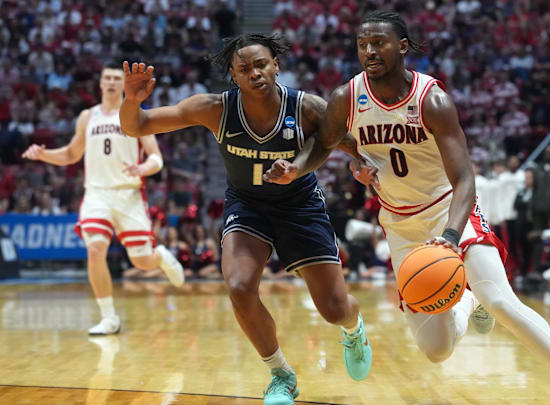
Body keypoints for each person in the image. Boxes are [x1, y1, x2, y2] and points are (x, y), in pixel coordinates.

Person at [264, 11, 550, 404]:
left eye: (379, 43)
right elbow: (324, 144)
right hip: (400, 223)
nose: (370, 51)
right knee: (436, 349)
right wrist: (295, 168)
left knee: (502, 300)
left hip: (450, 210)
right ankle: (467, 298)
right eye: (363, 45)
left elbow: (465, 179)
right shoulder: (348, 97)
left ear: (403, 47)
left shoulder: (433, 100)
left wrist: (449, 237)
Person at [118, 34, 371, 405]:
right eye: (244, 69)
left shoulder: (307, 107)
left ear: (276, 65)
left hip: (299, 205)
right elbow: (136, 126)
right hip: (247, 204)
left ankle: (354, 328)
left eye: (261, 65)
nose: (254, 73)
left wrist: (362, 165)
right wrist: (131, 100)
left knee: (334, 310)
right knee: (238, 286)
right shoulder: (215, 109)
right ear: (233, 76)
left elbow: (351, 144)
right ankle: (281, 375)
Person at [21, 62, 185, 335]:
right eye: (106, 78)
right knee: (95, 249)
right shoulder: (88, 116)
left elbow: (156, 157)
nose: (110, 82)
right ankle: (109, 317)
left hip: (129, 194)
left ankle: (160, 256)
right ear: (100, 83)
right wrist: (44, 154)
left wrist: (143, 168)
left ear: (123, 84)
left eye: (115, 78)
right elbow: (72, 154)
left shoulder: (136, 114)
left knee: (141, 262)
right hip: (97, 194)